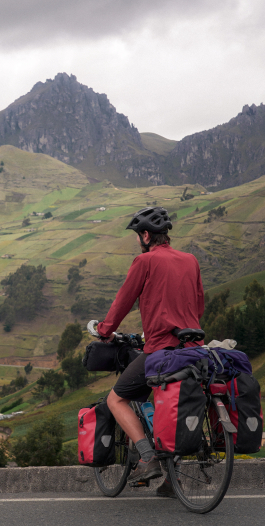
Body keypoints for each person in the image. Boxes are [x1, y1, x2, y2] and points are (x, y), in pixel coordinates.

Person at [90, 206, 204, 496]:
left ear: (145, 235)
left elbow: (123, 301)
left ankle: (148, 456)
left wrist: (105, 330)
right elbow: (198, 305)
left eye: (137, 236)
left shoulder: (145, 261)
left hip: (160, 350)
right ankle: (171, 479)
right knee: (169, 407)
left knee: (116, 399)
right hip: (193, 347)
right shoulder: (190, 260)